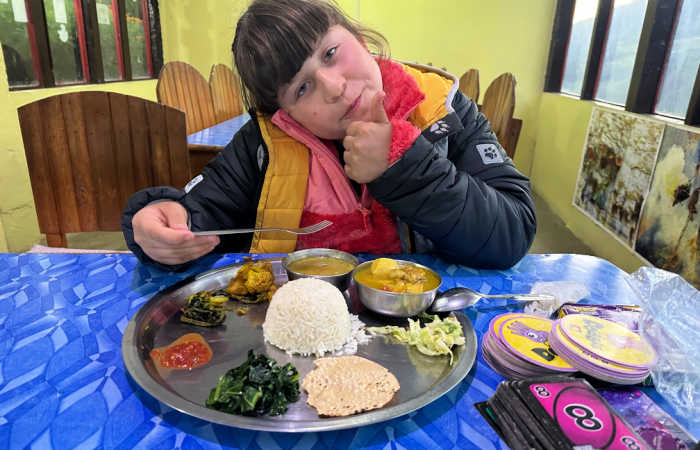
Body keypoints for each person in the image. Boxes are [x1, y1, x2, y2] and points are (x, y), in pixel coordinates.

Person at [121, 0, 537, 271]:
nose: (334, 88)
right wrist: (158, 220)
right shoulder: (263, 144)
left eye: (331, 54)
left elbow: (512, 231)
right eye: (302, 88)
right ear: (285, 113)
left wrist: (402, 167)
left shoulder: (444, 111)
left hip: (423, 331)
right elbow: (198, 215)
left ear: (357, 37)